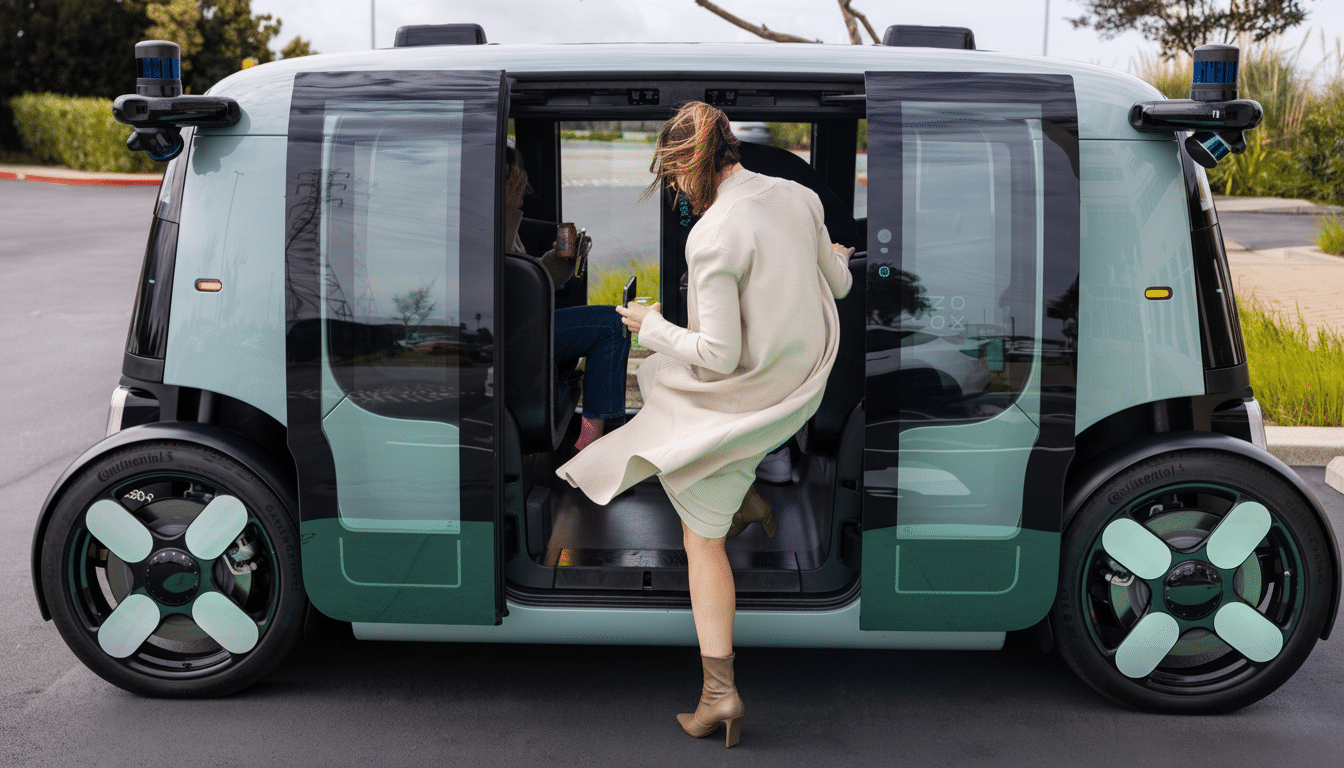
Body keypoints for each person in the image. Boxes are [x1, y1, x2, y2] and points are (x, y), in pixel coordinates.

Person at [555, 102, 854, 746]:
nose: (673, 192)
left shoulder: (712, 234)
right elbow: (842, 285)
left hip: (752, 394)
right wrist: (836, 256)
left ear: (687, 170)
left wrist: (649, 327)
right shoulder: (798, 196)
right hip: (804, 378)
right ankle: (741, 498)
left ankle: (719, 696)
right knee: (668, 406)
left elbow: (719, 355)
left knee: (698, 535)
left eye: (671, 178)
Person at [503, 145, 629, 450]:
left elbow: (532, 278)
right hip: (510, 332)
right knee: (612, 325)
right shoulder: (492, 218)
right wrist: (507, 208)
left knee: (613, 322)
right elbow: (503, 278)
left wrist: (564, 259)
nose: (522, 186)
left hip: (525, 323)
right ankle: (590, 441)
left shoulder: (505, 218)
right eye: (514, 178)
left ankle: (597, 438)